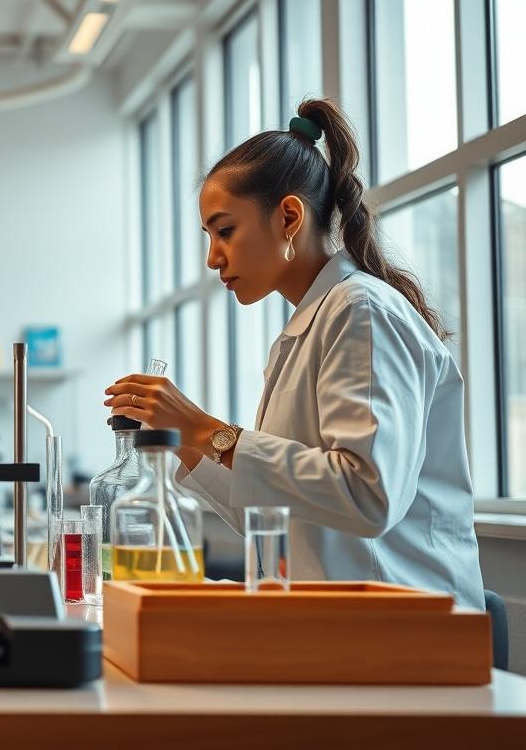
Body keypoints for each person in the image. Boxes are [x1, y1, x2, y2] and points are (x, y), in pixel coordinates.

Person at [104, 98, 483, 609]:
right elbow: (274, 511)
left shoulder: (362, 312)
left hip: (401, 627)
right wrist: (184, 441)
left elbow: (367, 495)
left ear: (288, 216)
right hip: (333, 622)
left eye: (225, 231)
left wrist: (205, 430)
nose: (214, 257)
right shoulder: (312, 325)